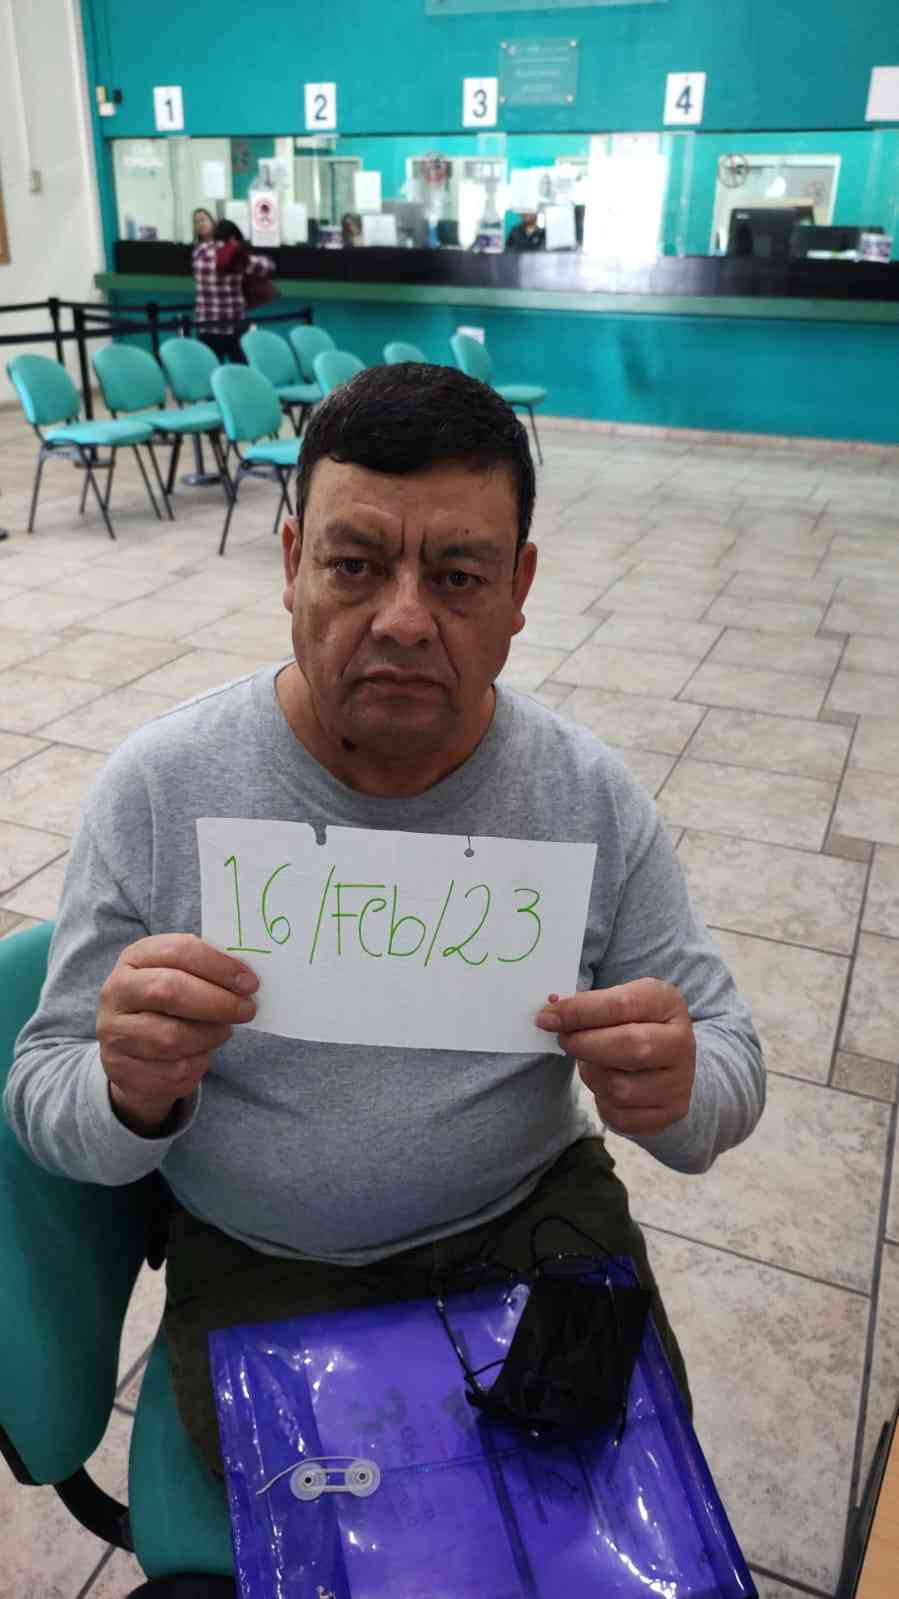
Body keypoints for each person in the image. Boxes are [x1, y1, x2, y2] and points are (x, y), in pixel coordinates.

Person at [6, 364, 764, 1477]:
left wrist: (680, 1089)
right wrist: (126, 1089)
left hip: (529, 1225)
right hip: (265, 1257)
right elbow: (43, 1098)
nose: (403, 621)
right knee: (357, 1538)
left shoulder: (586, 799)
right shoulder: (162, 790)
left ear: (519, 588)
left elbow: (729, 1068)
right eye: (354, 566)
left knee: (600, 1512)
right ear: (290, 565)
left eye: (457, 577)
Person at [191, 218, 274, 364]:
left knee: (210, 370)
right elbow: (267, 267)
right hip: (232, 325)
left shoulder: (199, 252)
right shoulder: (235, 254)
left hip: (205, 325)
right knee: (241, 372)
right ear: (233, 237)